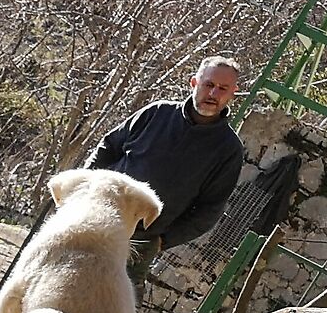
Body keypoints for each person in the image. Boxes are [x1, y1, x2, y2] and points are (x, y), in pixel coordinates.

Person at [86, 57, 245, 284]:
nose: (213, 94)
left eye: (222, 89)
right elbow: (108, 147)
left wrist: (162, 240)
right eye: (208, 85)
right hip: (95, 217)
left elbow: (210, 209)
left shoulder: (229, 150)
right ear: (194, 83)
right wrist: (83, 190)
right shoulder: (157, 113)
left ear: (232, 94)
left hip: (139, 243)